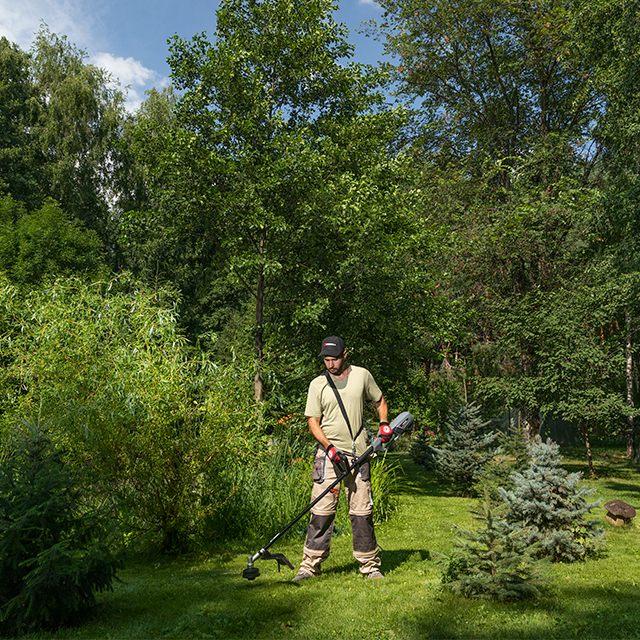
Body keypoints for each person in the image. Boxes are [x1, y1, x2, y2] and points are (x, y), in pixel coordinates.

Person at [293, 336, 392, 581]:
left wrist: (384, 424)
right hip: (328, 457)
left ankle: (370, 566)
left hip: (360, 453)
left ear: (344, 354)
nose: (330, 364)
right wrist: (330, 448)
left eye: (334, 358)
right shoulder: (317, 384)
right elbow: (313, 424)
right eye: (326, 359)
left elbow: (379, 401)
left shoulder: (362, 376)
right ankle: (309, 566)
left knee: (362, 513)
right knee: (321, 512)